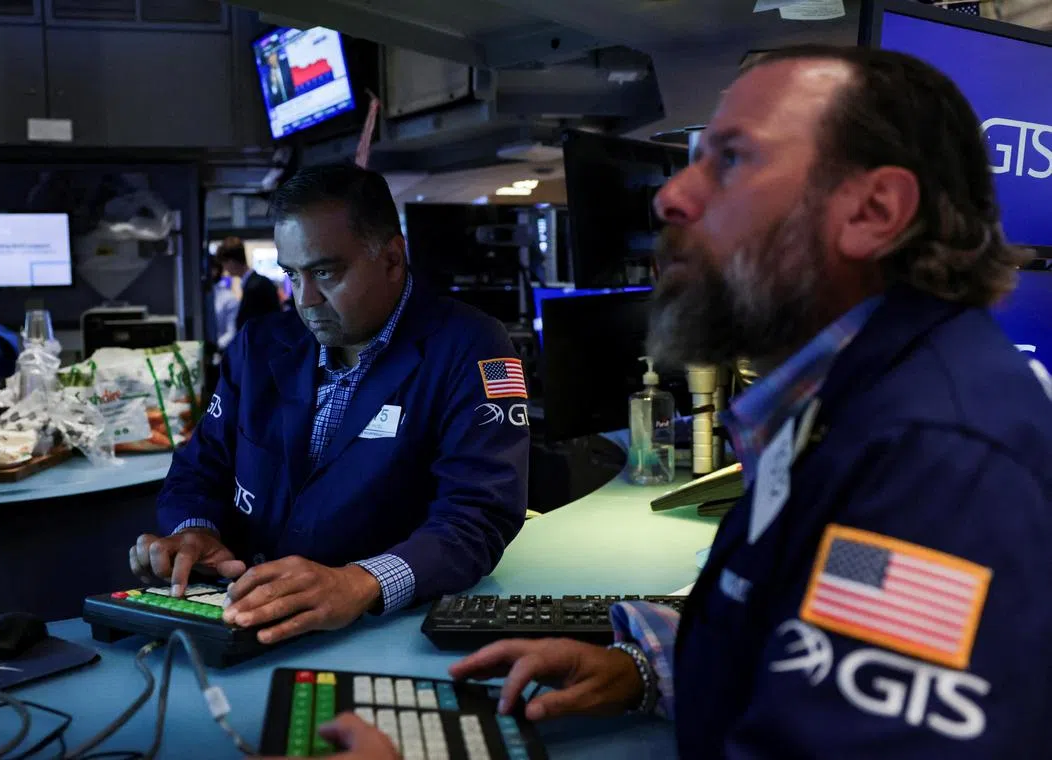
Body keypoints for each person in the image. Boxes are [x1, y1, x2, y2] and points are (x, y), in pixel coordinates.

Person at [292, 46, 1052, 758]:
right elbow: (810, 611)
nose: (671, 194)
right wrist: (651, 668)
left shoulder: (934, 469)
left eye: (731, 160)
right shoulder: (854, 407)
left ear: (874, 211)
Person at [130, 163, 530, 645]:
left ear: (392, 258)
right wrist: (196, 532)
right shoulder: (260, 344)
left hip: (379, 633)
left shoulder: (470, 345)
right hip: (243, 617)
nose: (306, 299)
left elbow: (478, 517)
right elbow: (200, 468)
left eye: (325, 272)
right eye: (292, 275)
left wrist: (361, 582)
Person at [216, 236, 281, 334]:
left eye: (225, 264)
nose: (225, 269)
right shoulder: (257, 282)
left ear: (232, 262)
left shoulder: (254, 287)